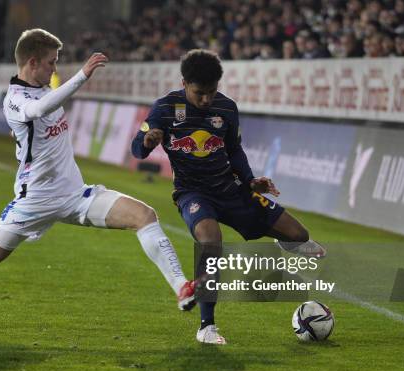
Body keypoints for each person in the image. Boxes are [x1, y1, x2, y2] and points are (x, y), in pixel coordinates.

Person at [0, 28, 196, 328]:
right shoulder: (14, 98)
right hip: (34, 200)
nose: (55, 68)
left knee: (144, 215)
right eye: (51, 62)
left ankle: (182, 288)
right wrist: (81, 75)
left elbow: (43, 110)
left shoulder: (46, 90)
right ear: (32, 62)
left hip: (75, 195)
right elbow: (39, 110)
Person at [131, 49, 326, 345]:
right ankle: (206, 326)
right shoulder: (164, 108)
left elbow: (234, 150)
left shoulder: (226, 108)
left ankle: (285, 243)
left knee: (299, 234)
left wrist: (251, 180)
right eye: (200, 93)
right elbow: (137, 147)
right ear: (184, 83)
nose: (207, 99)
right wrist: (146, 141)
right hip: (192, 192)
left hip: (230, 188)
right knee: (211, 241)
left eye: (212, 92)